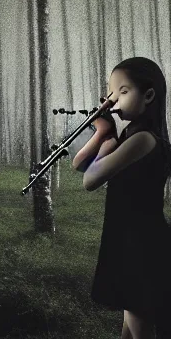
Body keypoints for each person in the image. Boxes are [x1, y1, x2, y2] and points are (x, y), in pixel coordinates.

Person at [72, 57, 171, 339]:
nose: (113, 100)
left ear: (149, 95)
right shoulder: (130, 135)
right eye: (111, 93)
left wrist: (105, 148)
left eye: (123, 92)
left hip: (141, 245)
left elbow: (90, 179)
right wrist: (103, 131)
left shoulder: (144, 140)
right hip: (129, 240)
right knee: (130, 328)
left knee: (141, 328)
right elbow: (79, 164)